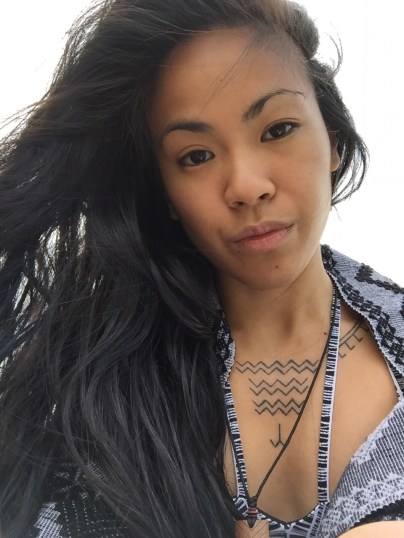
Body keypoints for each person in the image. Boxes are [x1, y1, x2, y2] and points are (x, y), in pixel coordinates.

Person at [1, 0, 403, 537]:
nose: (246, 186)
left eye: (278, 128)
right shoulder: (96, 380)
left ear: (332, 139)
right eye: (195, 156)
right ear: (166, 194)